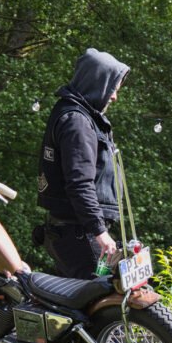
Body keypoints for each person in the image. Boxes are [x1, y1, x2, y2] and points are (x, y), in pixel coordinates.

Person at [36, 48, 129, 279]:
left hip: (76, 232)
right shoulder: (77, 122)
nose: (114, 97)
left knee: (95, 296)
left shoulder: (77, 115)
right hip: (79, 234)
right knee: (103, 294)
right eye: (113, 89)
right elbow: (79, 183)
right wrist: (100, 231)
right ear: (98, 83)